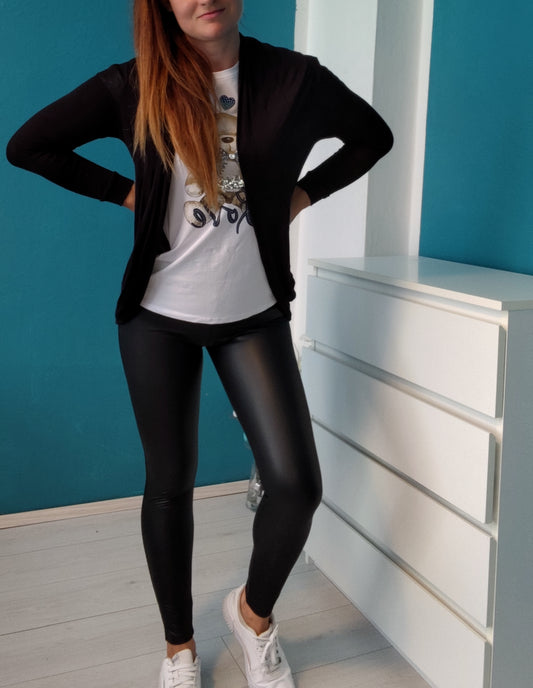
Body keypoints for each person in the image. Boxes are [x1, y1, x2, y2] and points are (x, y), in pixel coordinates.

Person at [6, 1, 393, 686]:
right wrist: (129, 195)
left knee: (296, 485)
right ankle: (179, 647)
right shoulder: (135, 84)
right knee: (168, 484)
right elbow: (28, 145)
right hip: (158, 316)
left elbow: (372, 138)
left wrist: (301, 196)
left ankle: (251, 616)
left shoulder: (293, 80)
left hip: (252, 314)